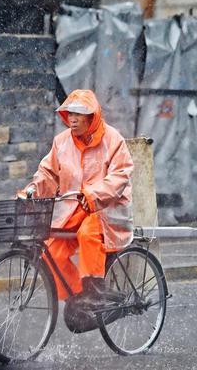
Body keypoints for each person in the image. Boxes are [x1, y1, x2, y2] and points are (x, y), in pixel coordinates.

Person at [16, 89, 134, 304]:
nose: (73, 119)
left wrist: (93, 194)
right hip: (73, 208)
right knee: (52, 251)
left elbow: (121, 174)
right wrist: (31, 191)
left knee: (89, 233)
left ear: (92, 116)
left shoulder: (113, 139)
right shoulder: (61, 142)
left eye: (79, 114)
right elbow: (48, 174)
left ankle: (94, 289)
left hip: (106, 209)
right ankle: (78, 298)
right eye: (70, 113)